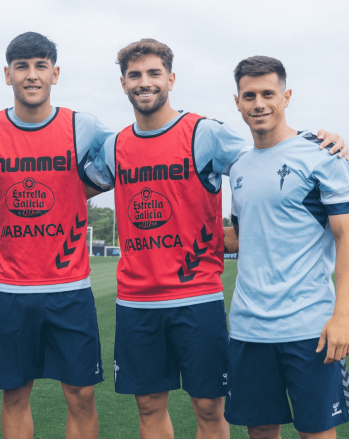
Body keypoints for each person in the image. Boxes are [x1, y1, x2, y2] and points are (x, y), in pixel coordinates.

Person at [84, 39, 347, 439]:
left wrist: (327, 143)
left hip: (200, 297)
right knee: (151, 404)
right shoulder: (115, 144)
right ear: (123, 83)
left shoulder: (210, 135)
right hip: (140, 299)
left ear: (170, 78)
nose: (145, 82)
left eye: (154, 73)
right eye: (135, 75)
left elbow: (274, 154)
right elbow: (70, 187)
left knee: (210, 407)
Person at [0, 32, 115, 439]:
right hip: (11, 289)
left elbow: (130, 151)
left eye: (40, 66)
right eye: (22, 67)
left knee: (82, 394)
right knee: (14, 395)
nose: (31, 75)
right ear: (7, 74)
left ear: (55, 73)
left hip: (71, 288)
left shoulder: (82, 125)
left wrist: (77, 192)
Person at [224, 55, 349, 439]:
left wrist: (342, 315)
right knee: (260, 429)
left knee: (316, 431)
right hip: (248, 328)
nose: (258, 103)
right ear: (237, 101)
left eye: (267, 93)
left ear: (286, 95)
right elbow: (244, 238)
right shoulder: (240, 167)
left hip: (310, 327)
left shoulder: (322, 155)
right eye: (249, 95)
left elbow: (346, 235)